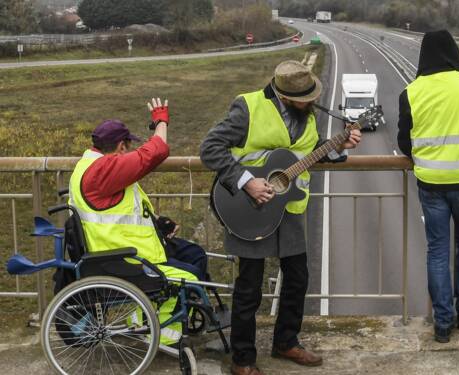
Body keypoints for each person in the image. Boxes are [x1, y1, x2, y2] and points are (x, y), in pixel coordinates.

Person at [200, 60, 361, 375]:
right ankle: (243, 360)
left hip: (288, 209)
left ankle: (286, 342)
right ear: (285, 96)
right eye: (306, 98)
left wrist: (340, 145)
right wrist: (248, 182)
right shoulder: (248, 107)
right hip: (248, 208)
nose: (312, 101)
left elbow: (306, 152)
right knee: (249, 288)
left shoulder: (307, 114)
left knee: (298, 279)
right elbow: (210, 148)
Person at [68, 99, 208, 346]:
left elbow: (122, 210)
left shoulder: (87, 165)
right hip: (125, 257)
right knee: (192, 276)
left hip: (118, 249)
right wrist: (161, 121)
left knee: (194, 255)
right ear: (121, 146)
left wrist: (159, 223)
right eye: (128, 145)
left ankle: (153, 317)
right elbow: (156, 151)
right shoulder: (104, 170)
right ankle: (163, 333)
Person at [397, 30, 459, 343]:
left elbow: (404, 141)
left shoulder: (411, 92)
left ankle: (443, 323)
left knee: (437, 251)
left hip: (432, 183)